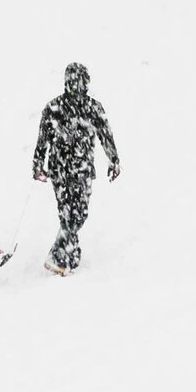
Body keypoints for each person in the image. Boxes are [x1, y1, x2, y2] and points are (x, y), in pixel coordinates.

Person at [32, 62, 119, 276]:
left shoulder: (93, 108)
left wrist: (113, 159)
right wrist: (37, 163)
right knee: (69, 214)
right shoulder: (54, 108)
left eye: (79, 81)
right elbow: (43, 139)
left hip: (81, 170)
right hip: (61, 169)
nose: (76, 85)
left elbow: (105, 135)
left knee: (77, 214)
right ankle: (60, 256)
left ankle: (71, 252)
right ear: (66, 82)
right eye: (72, 81)